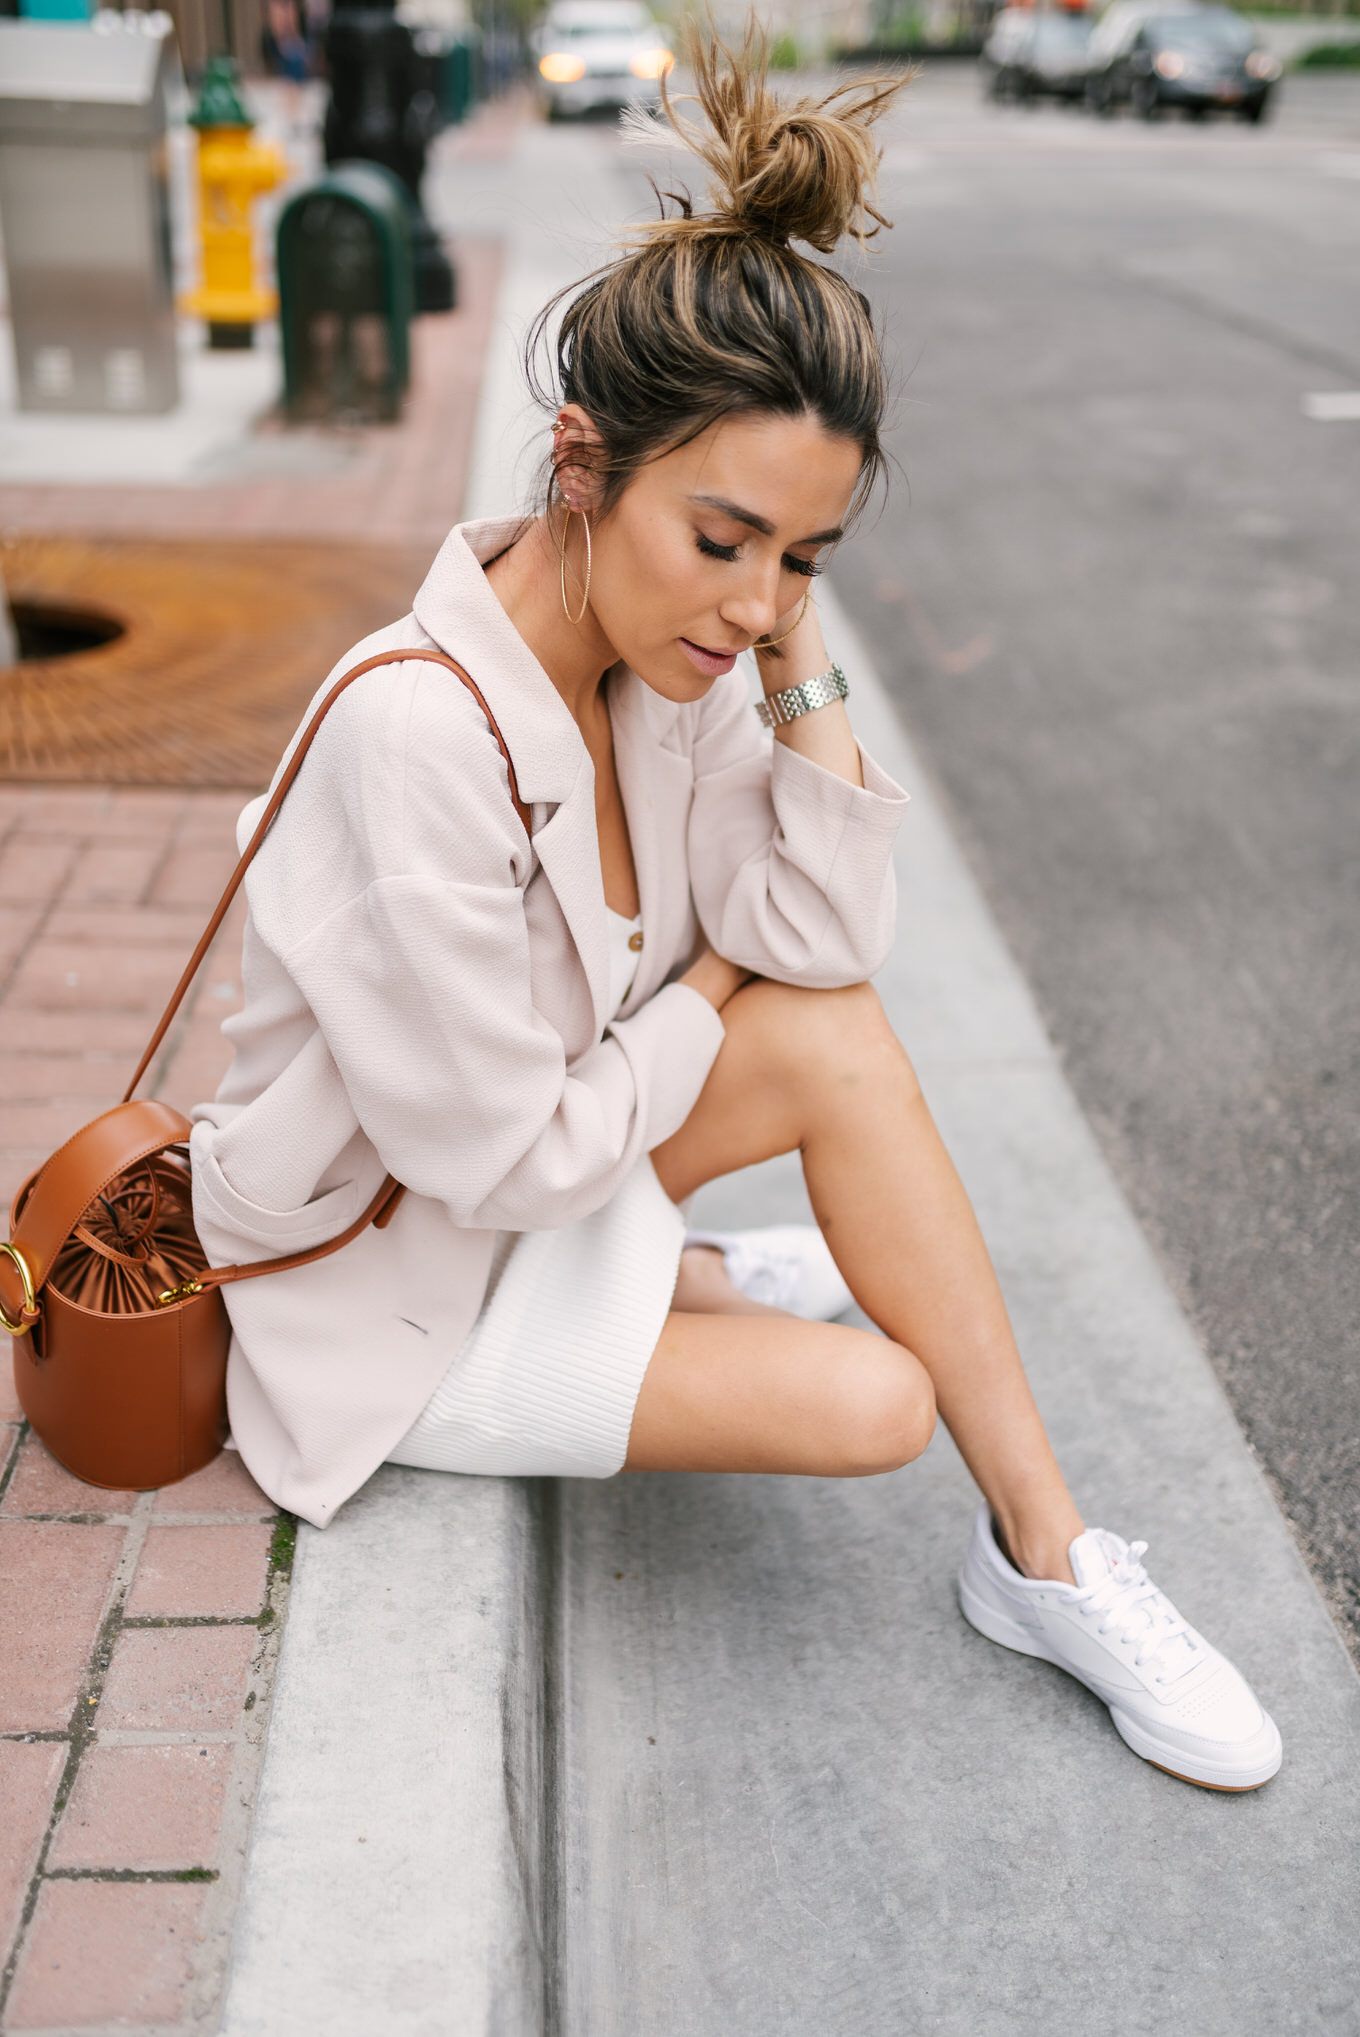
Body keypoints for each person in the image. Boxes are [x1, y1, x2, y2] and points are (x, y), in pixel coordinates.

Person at [191, 29, 1281, 1793]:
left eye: (804, 556)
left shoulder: (672, 668)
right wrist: (707, 984)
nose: (752, 598)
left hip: (539, 1171)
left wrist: (791, 646)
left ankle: (1053, 1553)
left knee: (835, 1037)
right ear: (580, 459)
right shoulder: (416, 726)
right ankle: (687, 1276)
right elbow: (508, 1161)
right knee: (875, 1402)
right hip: (397, 1297)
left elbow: (827, 939)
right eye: (723, 536)